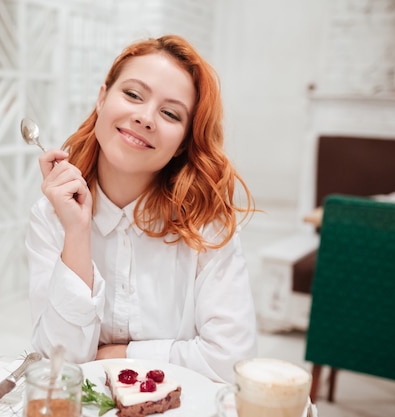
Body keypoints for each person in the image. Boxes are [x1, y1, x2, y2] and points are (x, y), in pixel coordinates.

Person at [25, 34, 257, 383]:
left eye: (170, 113)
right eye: (133, 95)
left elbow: (232, 363)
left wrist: (122, 355)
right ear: (102, 99)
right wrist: (77, 233)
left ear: (182, 144)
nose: (146, 118)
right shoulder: (49, 217)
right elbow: (57, 365)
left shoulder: (207, 228)